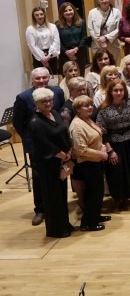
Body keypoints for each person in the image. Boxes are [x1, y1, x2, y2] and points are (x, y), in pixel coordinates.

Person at [26, 88, 75, 238]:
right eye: (43, 101)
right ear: (36, 103)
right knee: (52, 196)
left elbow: (63, 132)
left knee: (61, 194)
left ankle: (65, 224)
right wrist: (61, 154)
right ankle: (56, 230)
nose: (48, 103)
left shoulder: (54, 113)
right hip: (48, 164)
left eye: (49, 100)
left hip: (60, 160)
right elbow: (43, 144)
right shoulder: (35, 122)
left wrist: (68, 150)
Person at [95, 77, 130, 210]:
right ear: (110, 92)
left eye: (121, 90)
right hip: (113, 144)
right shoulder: (103, 108)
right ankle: (117, 198)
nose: (118, 93)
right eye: (115, 90)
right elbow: (101, 132)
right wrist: (110, 151)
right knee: (115, 173)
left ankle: (127, 198)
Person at [69, 95, 110, 231]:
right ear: (78, 109)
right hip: (87, 163)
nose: (90, 107)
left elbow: (96, 137)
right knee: (93, 193)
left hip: (95, 161)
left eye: (91, 105)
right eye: (86, 106)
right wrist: (101, 153)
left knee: (97, 192)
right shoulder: (77, 126)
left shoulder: (87, 119)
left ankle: (95, 216)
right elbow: (81, 149)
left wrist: (102, 147)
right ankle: (88, 223)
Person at [88, 0, 123, 64]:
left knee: (114, 66)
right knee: (99, 67)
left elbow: (119, 28)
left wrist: (106, 38)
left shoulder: (116, 12)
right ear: (98, 1)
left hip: (113, 45)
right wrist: (100, 42)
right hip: (97, 45)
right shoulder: (92, 13)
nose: (104, 1)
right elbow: (90, 29)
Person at [56, 1, 90, 72]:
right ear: (62, 13)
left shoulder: (81, 22)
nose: (68, 12)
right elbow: (58, 40)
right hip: (65, 54)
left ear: (74, 10)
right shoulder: (57, 25)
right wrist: (67, 52)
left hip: (79, 53)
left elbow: (84, 38)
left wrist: (76, 49)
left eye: (70, 10)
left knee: (79, 74)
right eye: (65, 11)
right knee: (67, 74)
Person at [25, 5, 61, 71]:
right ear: (34, 17)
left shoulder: (53, 26)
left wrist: (49, 56)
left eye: (41, 14)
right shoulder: (30, 29)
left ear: (44, 15)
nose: (39, 16)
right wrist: (42, 58)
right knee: (40, 76)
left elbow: (56, 42)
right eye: (37, 15)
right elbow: (32, 45)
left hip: (51, 55)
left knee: (53, 75)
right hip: (38, 57)